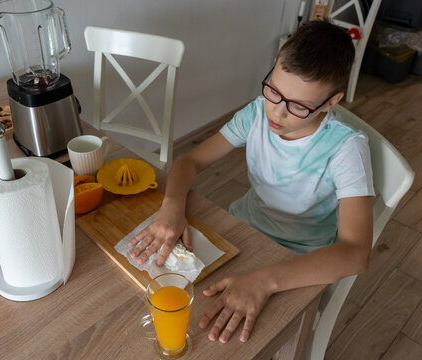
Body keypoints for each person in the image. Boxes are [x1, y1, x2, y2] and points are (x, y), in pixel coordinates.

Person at [129, 20, 375, 344]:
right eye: (274, 89)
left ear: (330, 102)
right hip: (243, 231)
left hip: (298, 260)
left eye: (298, 106)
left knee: (229, 338)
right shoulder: (258, 113)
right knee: (162, 302)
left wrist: (265, 281)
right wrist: (172, 207)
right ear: (274, 68)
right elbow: (191, 161)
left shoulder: (346, 148)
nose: (277, 112)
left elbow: (355, 253)